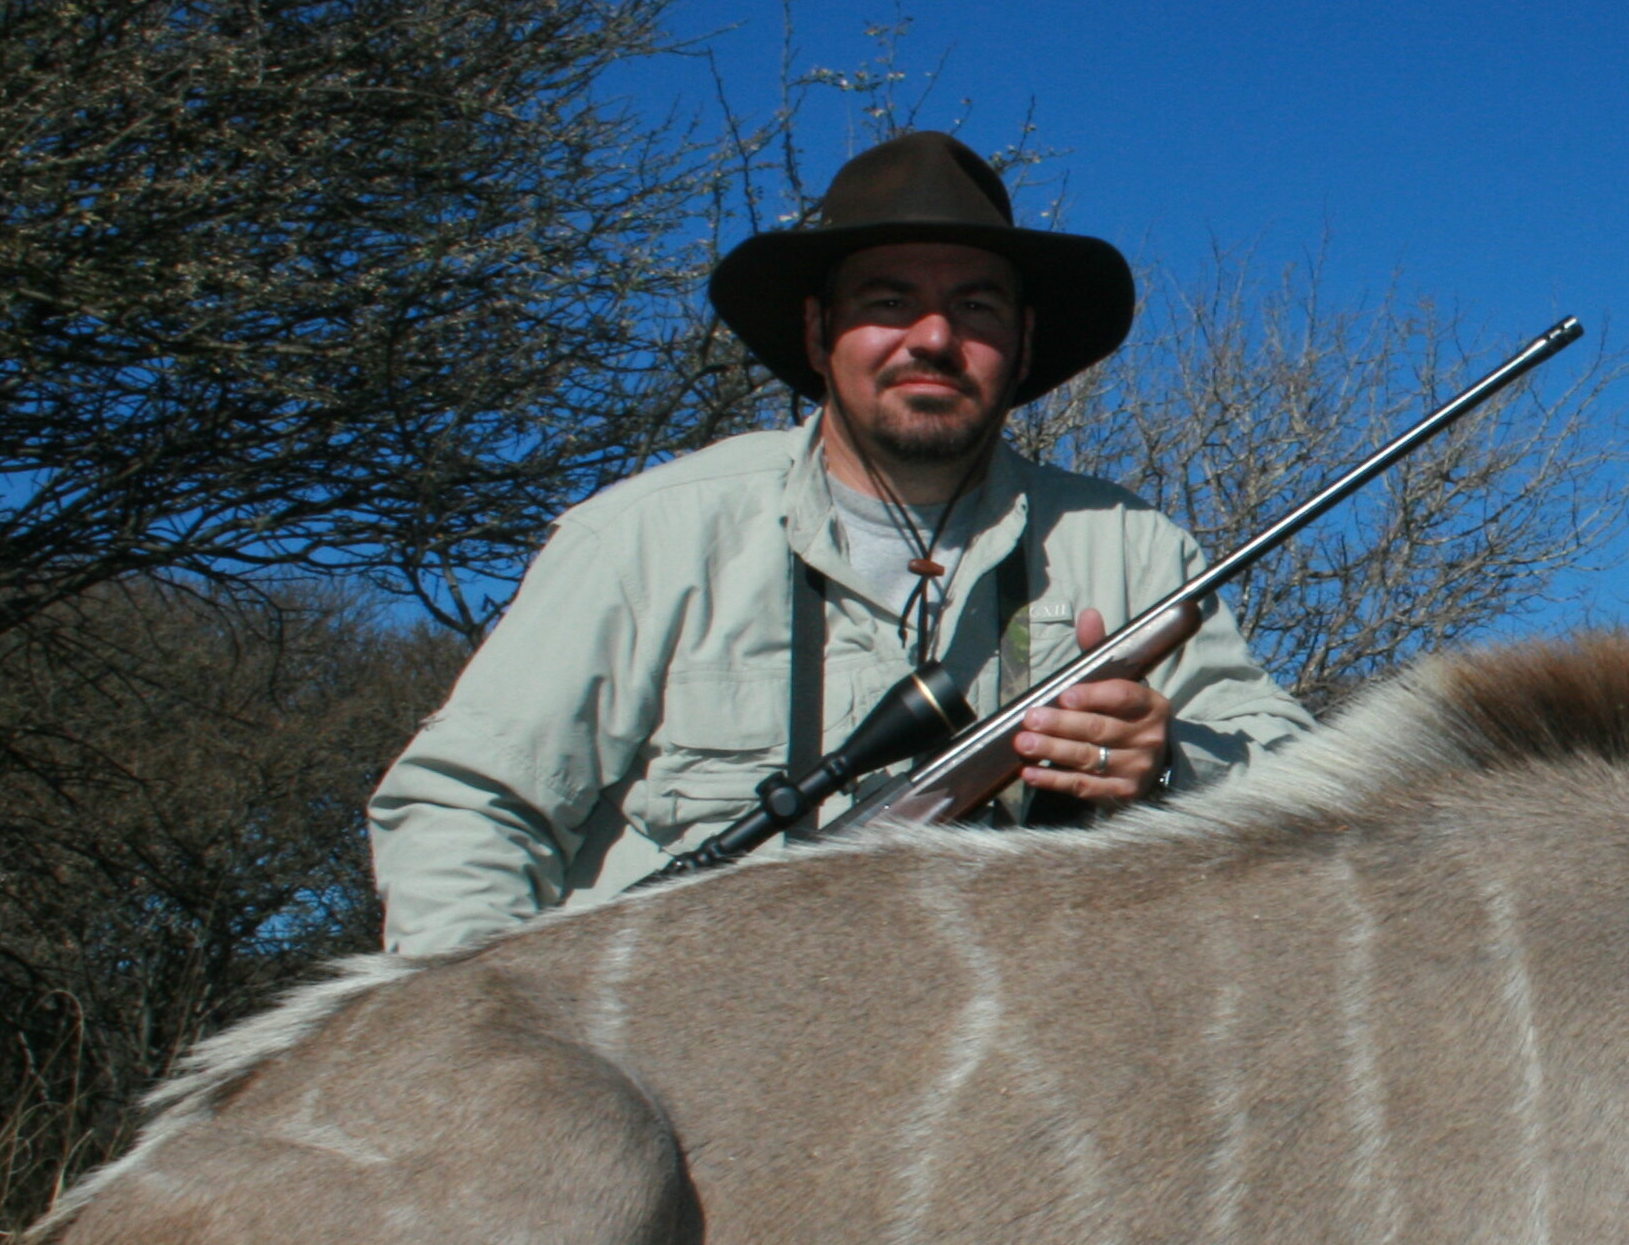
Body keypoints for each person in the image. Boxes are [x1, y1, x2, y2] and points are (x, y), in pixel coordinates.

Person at [371, 129, 1315, 955]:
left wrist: (1173, 764)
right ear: (820, 331)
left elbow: (1304, 793)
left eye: (979, 307)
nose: (934, 337)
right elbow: (465, 811)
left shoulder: (1135, 549)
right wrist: (499, 1073)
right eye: (889, 301)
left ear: (1024, 345)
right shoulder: (647, 535)